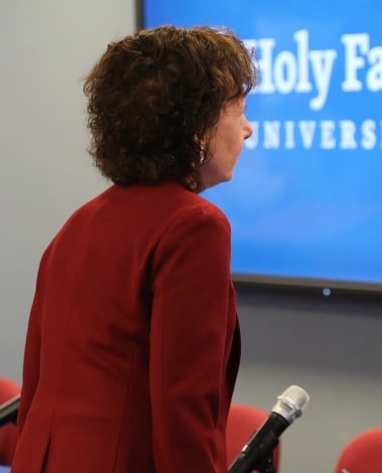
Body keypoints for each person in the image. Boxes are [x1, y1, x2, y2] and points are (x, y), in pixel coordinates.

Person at [13, 25, 256, 472]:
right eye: (236, 109)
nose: (247, 129)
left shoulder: (77, 224)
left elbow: (35, 391)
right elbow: (183, 412)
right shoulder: (193, 226)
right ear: (196, 122)